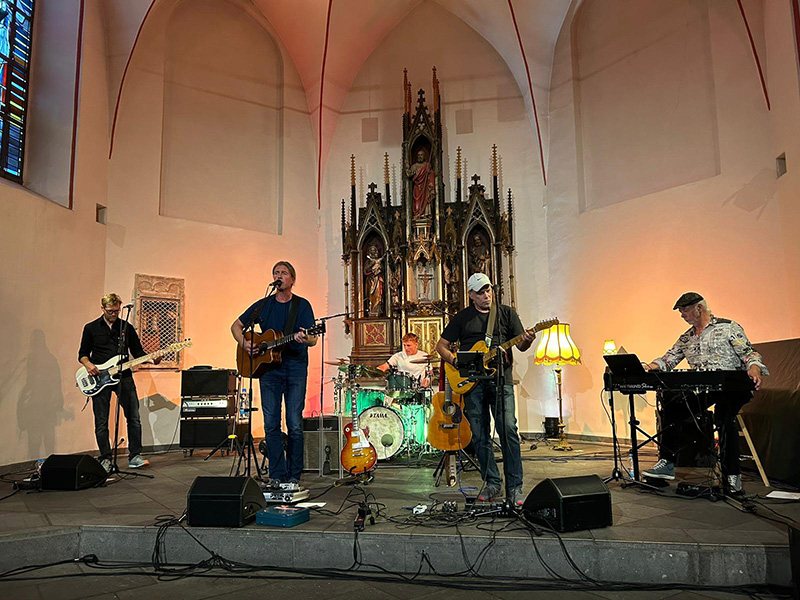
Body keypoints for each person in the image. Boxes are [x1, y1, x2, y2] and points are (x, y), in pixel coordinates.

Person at [641, 292, 768, 493]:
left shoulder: (728, 327)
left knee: (724, 418)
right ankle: (666, 463)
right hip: (704, 388)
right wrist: (650, 366)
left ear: (699, 308)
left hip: (731, 387)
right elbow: (668, 359)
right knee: (673, 409)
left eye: (684, 310)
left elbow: (749, 353)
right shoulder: (687, 337)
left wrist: (754, 367)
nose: (682, 315)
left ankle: (732, 475)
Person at [435, 273, 536, 506]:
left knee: (508, 431)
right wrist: (454, 361)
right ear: (471, 295)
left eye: (488, 290)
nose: (486, 295)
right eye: (480, 292)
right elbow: (441, 346)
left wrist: (528, 339)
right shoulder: (462, 318)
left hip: (502, 380)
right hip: (473, 384)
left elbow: (520, 345)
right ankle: (492, 482)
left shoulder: (506, 313)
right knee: (480, 436)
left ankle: (515, 487)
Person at [231, 261, 317, 484]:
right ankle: (277, 474)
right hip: (268, 370)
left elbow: (313, 338)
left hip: (295, 367)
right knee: (271, 423)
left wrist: (304, 337)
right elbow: (236, 326)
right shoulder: (264, 305)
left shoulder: (302, 305)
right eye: (276, 272)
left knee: (294, 423)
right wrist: (245, 344)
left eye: (284, 273)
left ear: (292, 279)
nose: (279, 276)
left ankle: (294, 473)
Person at [79, 293, 157, 472]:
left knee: (134, 417)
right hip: (99, 378)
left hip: (124, 376)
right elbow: (82, 354)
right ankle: (105, 458)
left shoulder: (126, 327)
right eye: (111, 311)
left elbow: (137, 352)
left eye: (117, 310)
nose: (114, 314)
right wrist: (89, 365)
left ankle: (135, 455)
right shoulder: (91, 328)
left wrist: (154, 359)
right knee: (101, 420)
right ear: (103, 309)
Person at [407, 149, 435, 218]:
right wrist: (406, 166)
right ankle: (417, 215)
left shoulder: (427, 165)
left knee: (426, 201)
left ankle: (425, 215)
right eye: (418, 155)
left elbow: (431, 174)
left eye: (421, 155)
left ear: (424, 156)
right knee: (416, 204)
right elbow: (409, 174)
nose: (420, 156)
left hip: (425, 187)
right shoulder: (414, 166)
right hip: (417, 188)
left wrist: (430, 174)